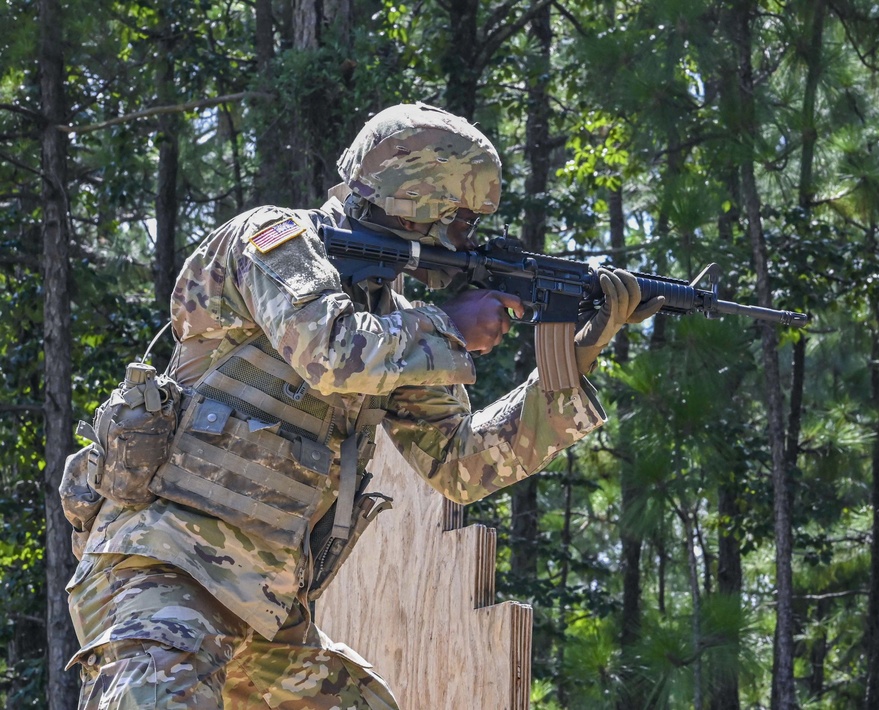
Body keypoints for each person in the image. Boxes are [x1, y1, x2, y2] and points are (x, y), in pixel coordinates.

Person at [64, 102, 662, 709]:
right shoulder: (274, 239)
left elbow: (461, 464)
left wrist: (568, 367)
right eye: (459, 220)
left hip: (266, 607)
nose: (467, 239)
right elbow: (330, 351)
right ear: (413, 199)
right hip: (163, 573)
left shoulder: (397, 325)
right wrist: (450, 326)